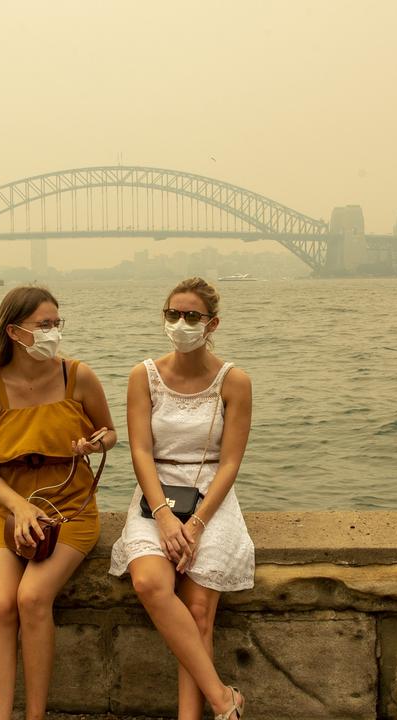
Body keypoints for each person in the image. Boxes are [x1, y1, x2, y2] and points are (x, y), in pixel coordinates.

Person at [0, 285, 117, 720]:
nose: (53, 332)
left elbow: (110, 431)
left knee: (32, 598)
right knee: (1, 604)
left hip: (71, 508)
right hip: (9, 509)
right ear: (14, 332)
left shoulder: (78, 376)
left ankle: (35, 716)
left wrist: (95, 442)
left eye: (56, 323)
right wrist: (20, 508)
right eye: (43, 325)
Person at [110, 277, 253, 720]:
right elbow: (139, 451)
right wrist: (165, 518)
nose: (180, 323)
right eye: (172, 314)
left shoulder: (235, 381)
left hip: (211, 497)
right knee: (151, 582)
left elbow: (229, 463)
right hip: (157, 493)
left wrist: (196, 524)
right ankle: (222, 698)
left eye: (191, 316)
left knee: (197, 610)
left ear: (212, 324)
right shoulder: (144, 376)